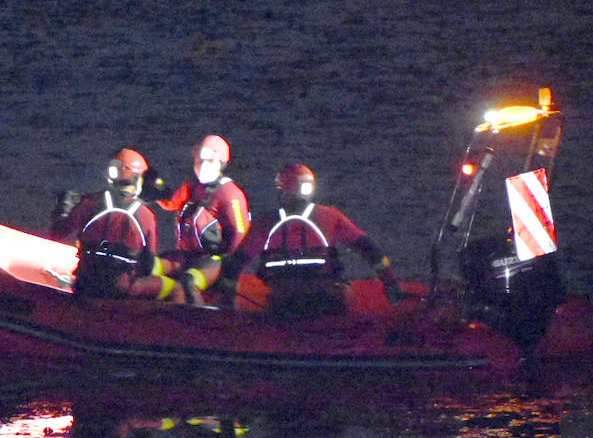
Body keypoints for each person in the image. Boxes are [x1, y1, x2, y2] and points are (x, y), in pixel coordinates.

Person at [236, 163, 408, 317]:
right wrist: (391, 283)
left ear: (282, 190)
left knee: (277, 299)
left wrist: (225, 296)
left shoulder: (265, 222)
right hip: (327, 299)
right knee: (343, 292)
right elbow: (370, 250)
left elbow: (237, 261)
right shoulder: (330, 217)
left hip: (283, 302)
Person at [124, 134, 250, 304]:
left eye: (210, 161)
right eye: (200, 161)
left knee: (189, 281)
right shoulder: (192, 186)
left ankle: (198, 321)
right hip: (186, 256)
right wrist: (155, 191)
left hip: (214, 260)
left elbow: (240, 233)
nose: (204, 166)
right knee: (148, 265)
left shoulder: (230, 194)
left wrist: (231, 271)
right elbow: (172, 202)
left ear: (221, 163)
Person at [50, 148, 159, 298]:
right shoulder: (146, 216)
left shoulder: (89, 203)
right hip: (121, 291)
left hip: (86, 284)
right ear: (136, 179)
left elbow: (58, 233)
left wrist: (62, 210)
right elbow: (149, 264)